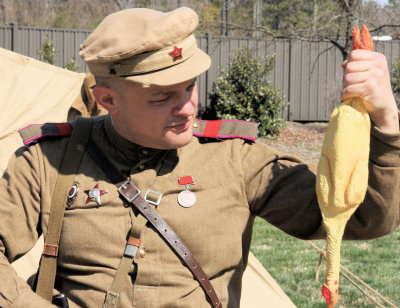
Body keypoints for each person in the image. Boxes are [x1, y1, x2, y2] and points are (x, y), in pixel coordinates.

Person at [0, 6, 399, 308]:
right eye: (163, 97)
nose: (189, 108)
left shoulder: (235, 158)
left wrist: (386, 120)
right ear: (108, 100)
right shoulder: (48, 161)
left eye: (190, 87)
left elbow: (365, 218)